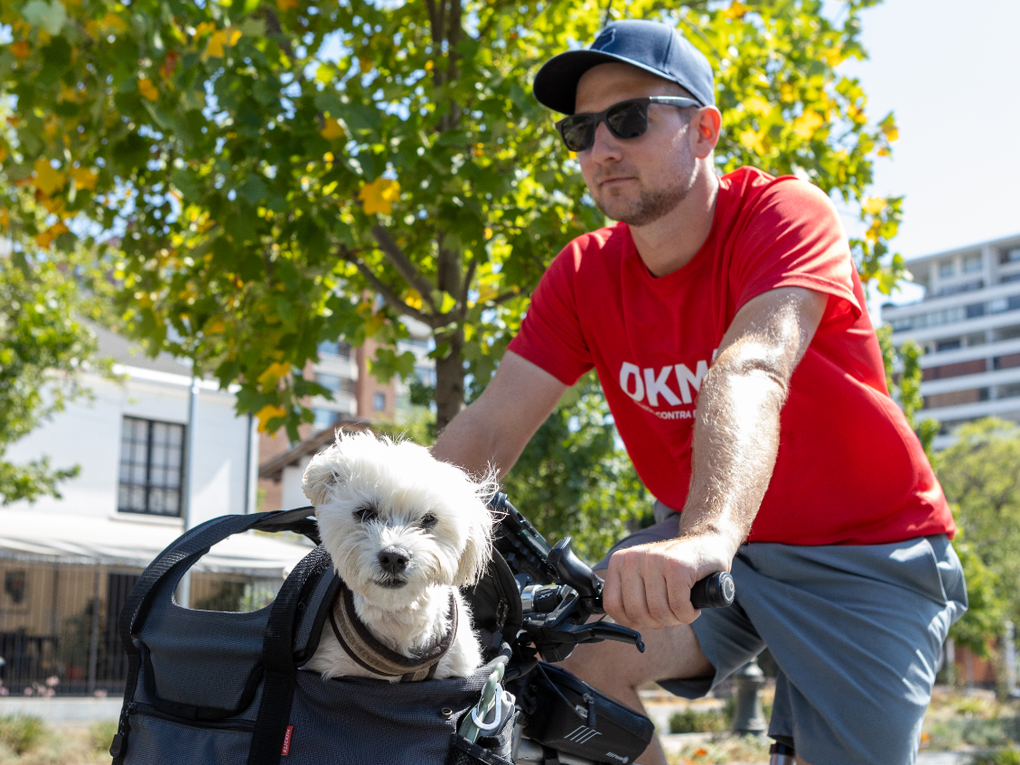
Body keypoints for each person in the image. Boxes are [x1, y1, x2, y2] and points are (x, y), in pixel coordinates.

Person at [431, 18, 966, 765]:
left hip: (861, 549)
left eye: (628, 118)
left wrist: (708, 535)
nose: (601, 148)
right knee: (567, 681)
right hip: (706, 543)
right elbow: (491, 424)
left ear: (705, 130)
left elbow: (749, 368)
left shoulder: (784, 215)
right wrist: (376, 528)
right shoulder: (584, 273)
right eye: (581, 132)